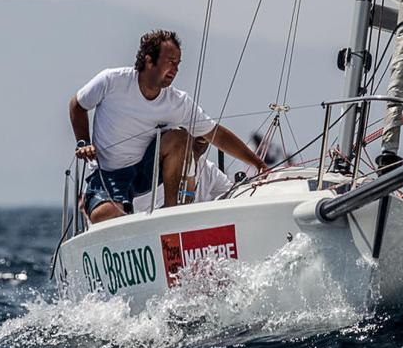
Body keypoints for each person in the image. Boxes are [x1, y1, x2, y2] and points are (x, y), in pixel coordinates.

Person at [69, 29, 267, 224]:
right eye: (170, 62)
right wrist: (83, 142)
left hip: (146, 174)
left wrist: (258, 164)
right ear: (148, 60)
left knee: (179, 138)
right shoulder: (112, 81)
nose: (176, 70)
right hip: (109, 174)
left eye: (178, 64)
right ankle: (108, 208)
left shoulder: (177, 102)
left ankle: (171, 216)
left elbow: (217, 135)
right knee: (105, 216)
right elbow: (77, 105)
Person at [131, 135, 232, 212]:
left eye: (204, 135)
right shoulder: (152, 173)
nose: (200, 138)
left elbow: (231, 193)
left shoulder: (209, 169)